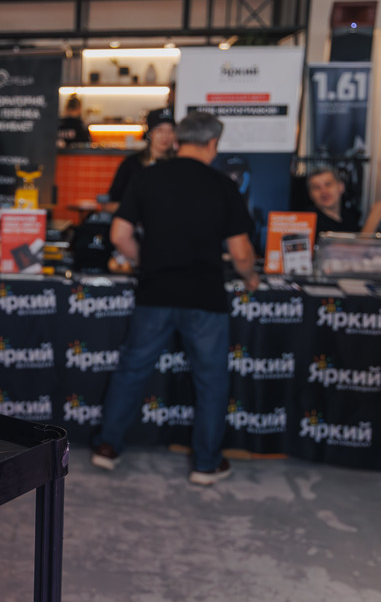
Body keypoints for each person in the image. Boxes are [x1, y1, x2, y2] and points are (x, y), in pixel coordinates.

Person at [91, 111, 259, 486]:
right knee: (211, 382)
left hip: (156, 292)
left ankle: (107, 447)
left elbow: (119, 235)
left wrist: (146, 261)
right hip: (204, 296)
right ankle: (206, 464)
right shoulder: (223, 185)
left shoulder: (147, 177)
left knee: (132, 371)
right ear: (213, 143)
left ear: (179, 140)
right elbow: (241, 252)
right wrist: (250, 277)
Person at [101, 107, 176, 213]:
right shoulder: (131, 164)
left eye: (170, 131)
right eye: (160, 130)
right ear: (150, 133)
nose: (165, 136)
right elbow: (110, 205)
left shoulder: (179, 165)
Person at [306, 166, 381, 237]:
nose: (323, 191)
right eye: (316, 187)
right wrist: (375, 216)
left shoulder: (350, 215)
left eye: (328, 184)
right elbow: (354, 250)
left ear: (341, 187)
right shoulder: (309, 221)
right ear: (310, 194)